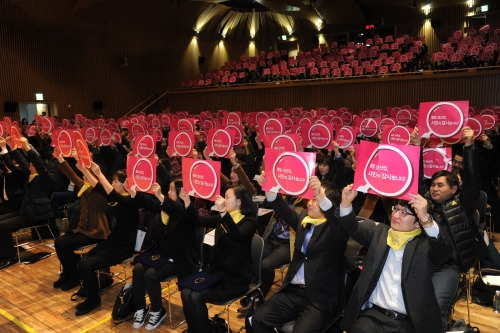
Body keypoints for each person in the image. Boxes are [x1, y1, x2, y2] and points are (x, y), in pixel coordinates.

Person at [337, 184, 451, 333]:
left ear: (418, 223)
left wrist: (426, 218)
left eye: (404, 213)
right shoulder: (380, 233)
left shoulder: (425, 245)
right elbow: (353, 228)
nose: (396, 215)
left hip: (408, 323)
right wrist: (346, 203)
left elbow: (444, 252)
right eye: (395, 209)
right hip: (373, 317)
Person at [249, 175, 349, 333]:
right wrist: (271, 190)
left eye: (316, 199)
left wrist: (321, 198)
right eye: (311, 197)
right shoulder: (304, 220)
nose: (310, 202)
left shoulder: (336, 230)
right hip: (293, 291)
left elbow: (338, 221)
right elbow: (284, 210)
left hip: (319, 299)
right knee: (258, 319)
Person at [179, 185, 256, 333]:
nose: (224, 200)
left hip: (234, 278)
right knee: (185, 291)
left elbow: (237, 234)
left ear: (239, 201)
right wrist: (187, 201)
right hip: (217, 272)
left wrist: (222, 212)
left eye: (227, 197)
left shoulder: (249, 222)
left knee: (195, 296)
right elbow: (197, 220)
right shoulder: (223, 218)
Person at [425, 127, 481, 331]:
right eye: (432, 185)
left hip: (448, 266)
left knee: (436, 305)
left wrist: (469, 147)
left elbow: (473, 181)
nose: (434, 189)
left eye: (440, 185)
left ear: (454, 189)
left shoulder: (463, 205)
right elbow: (412, 177)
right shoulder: (425, 205)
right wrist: (414, 146)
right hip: (423, 261)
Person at [130, 180, 199, 330]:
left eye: (172, 190)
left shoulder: (185, 212)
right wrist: (135, 194)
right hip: (160, 254)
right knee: (138, 268)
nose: (168, 192)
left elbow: (177, 212)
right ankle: (141, 308)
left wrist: (161, 196)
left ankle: (158, 310)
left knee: (150, 274)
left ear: (181, 192)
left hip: (177, 257)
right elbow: (151, 204)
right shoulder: (164, 210)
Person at [75, 163, 139, 316]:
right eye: (113, 180)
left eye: (116, 181)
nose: (112, 183)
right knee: (83, 261)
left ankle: (93, 299)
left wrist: (99, 173)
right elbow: (98, 187)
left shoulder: (132, 201)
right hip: (112, 241)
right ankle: (92, 293)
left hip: (124, 246)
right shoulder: (117, 197)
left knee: (87, 264)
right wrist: (84, 169)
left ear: (126, 184)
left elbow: (110, 193)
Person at [52, 149, 111, 291]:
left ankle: (73, 275)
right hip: (84, 229)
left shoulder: (100, 189)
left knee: (64, 244)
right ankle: (69, 272)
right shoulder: (85, 186)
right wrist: (61, 159)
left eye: (87, 175)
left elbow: (92, 180)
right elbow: (71, 174)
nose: (84, 177)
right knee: (59, 241)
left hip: (96, 232)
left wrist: (85, 167)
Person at [0, 137, 56, 269]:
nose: (29, 166)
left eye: (32, 165)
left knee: (1, 226)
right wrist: (11, 147)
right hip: (25, 212)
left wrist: (28, 148)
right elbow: (22, 162)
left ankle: (9, 256)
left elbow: (39, 166)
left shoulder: (46, 178)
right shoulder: (31, 176)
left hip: (36, 215)